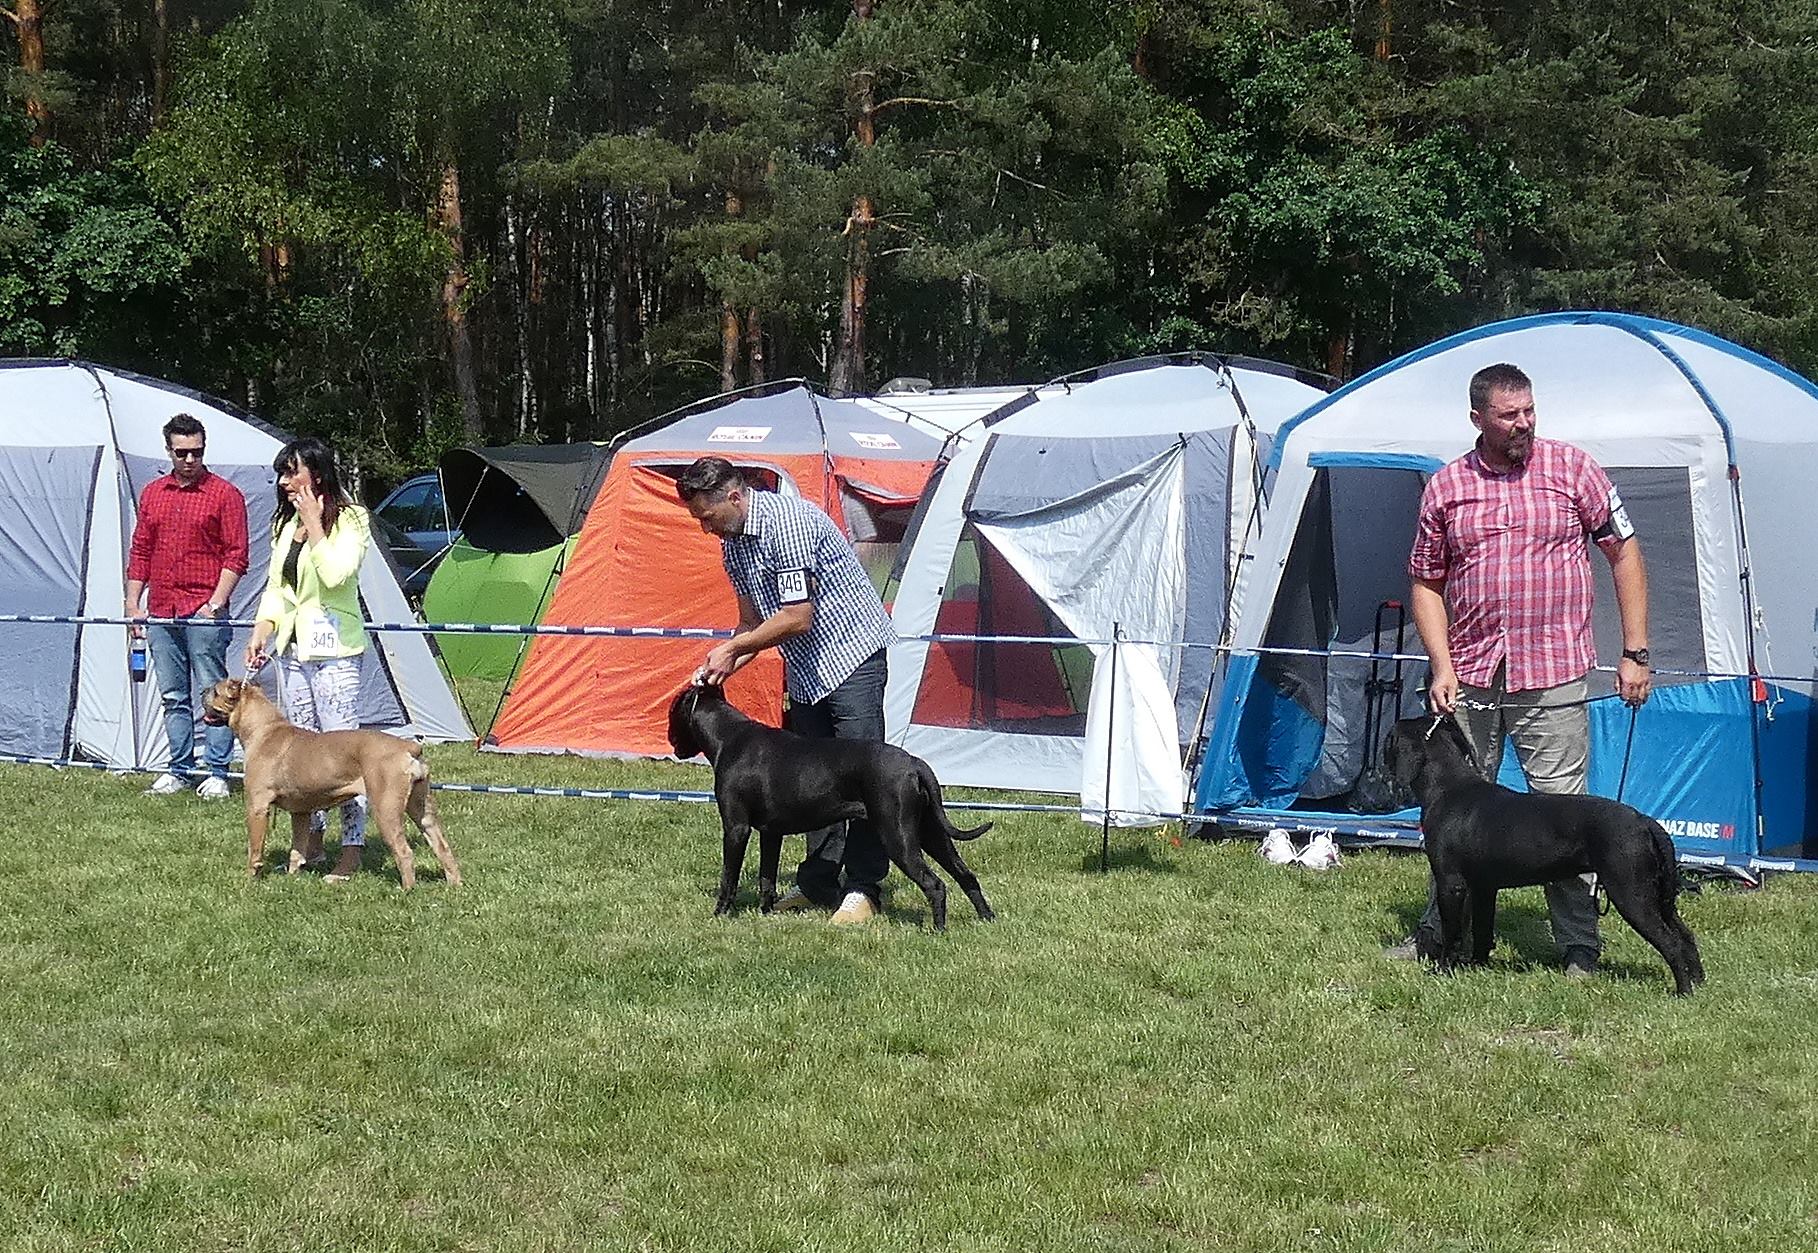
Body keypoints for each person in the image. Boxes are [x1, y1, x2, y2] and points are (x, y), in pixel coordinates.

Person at [1387, 362, 1652, 976]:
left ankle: (1579, 948)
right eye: (1509, 415)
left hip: (1555, 670)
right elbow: (1426, 581)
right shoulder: (1447, 486)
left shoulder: (1574, 469)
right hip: (1472, 674)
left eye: (1529, 410)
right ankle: (1440, 938)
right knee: (1454, 815)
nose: (1524, 424)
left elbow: (1625, 553)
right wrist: (1441, 664)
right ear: (1478, 418)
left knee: (1562, 812)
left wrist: (1635, 650)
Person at [677, 456, 896, 925]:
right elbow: (752, 623)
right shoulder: (732, 546)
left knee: (863, 777)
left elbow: (797, 616)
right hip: (806, 669)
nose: (704, 529)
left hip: (852, 657)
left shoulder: (789, 525)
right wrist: (726, 662)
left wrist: (736, 645)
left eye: (707, 517)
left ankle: (863, 889)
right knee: (812, 782)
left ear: (734, 497)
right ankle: (818, 882)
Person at [243, 436, 374, 881]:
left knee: (344, 756)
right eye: (280, 474)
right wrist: (263, 629)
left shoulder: (353, 519)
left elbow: (336, 575)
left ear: (315, 474)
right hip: (292, 654)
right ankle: (310, 844)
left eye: (290, 472)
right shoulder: (283, 527)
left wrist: (315, 522)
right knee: (300, 755)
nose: (283, 482)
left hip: (335, 653)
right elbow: (280, 589)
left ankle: (353, 848)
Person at [127, 413, 250, 799]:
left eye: (196, 452)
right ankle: (178, 768)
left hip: (203, 610)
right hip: (161, 607)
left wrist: (215, 603)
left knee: (215, 695)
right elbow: (141, 550)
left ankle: (217, 771)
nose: (190, 460)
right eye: (182, 453)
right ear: (169, 451)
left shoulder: (225, 495)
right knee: (172, 695)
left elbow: (237, 556)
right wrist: (133, 603)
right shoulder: (153, 494)